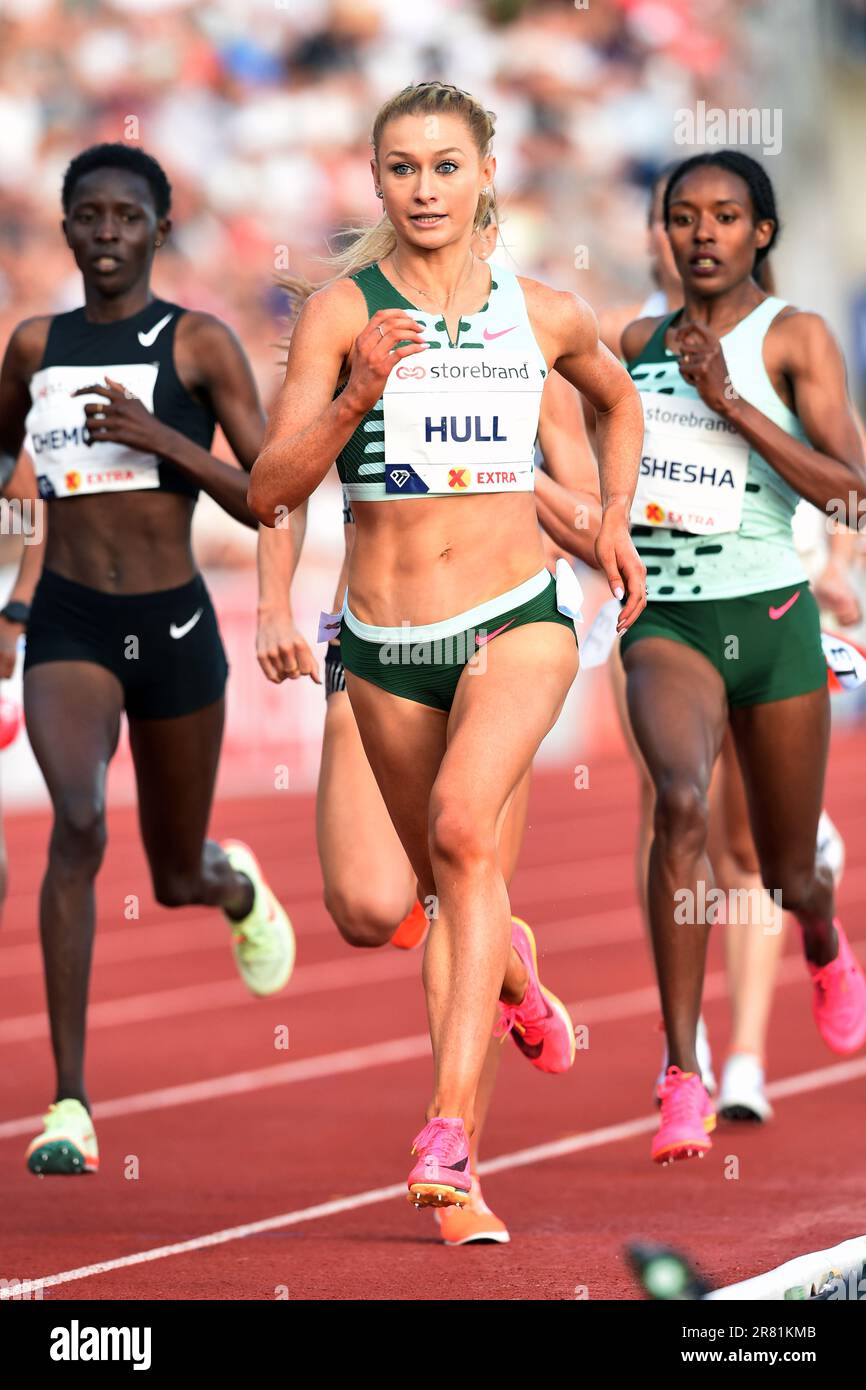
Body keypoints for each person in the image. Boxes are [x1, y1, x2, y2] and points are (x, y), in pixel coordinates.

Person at [249, 79, 644, 1208]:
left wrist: (606, 520)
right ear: (377, 181)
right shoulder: (340, 313)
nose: (423, 187)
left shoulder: (543, 312)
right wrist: (356, 393)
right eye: (401, 168)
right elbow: (267, 489)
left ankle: (450, 1137)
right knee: (382, 900)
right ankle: (508, 963)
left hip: (512, 620)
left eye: (443, 165)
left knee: (465, 833)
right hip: (380, 638)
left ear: (483, 176)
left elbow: (615, 408)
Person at [0, 143, 295, 1177]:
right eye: (90, 215)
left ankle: (232, 886)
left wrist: (157, 436)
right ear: (69, 228)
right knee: (75, 823)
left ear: (159, 230)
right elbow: (4, 467)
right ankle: (70, 1102)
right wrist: (16, 591)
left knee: (172, 872)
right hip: (72, 625)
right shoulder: (33, 344)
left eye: (129, 215)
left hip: (173, 627)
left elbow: (267, 492)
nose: (108, 231)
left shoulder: (199, 344)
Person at [616, 149, 866, 1163]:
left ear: (759, 232)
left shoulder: (795, 335)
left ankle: (820, 933)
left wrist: (729, 403)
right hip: (664, 621)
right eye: (683, 216)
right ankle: (682, 1069)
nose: (702, 233)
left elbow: (848, 491)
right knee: (675, 803)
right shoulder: (629, 342)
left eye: (725, 216)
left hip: (768, 618)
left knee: (777, 866)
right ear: (661, 232)